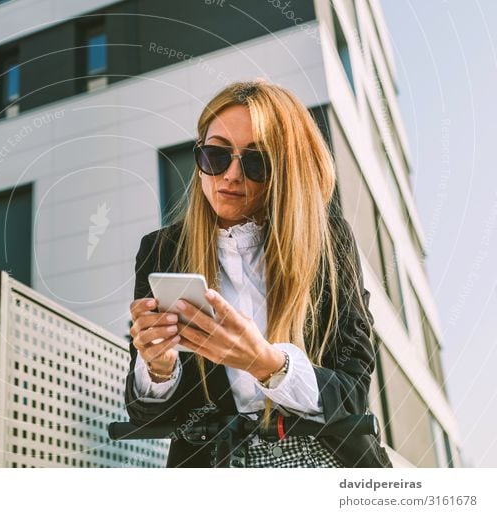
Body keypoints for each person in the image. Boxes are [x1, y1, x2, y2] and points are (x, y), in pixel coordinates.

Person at [125, 80, 392, 468]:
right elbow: (148, 417)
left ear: (286, 170)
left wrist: (266, 364)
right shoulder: (161, 250)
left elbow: (351, 394)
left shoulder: (328, 243)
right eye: (215, 155)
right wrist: (158, 368)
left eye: (256, 161)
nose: (230, 175)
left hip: (323, 457)